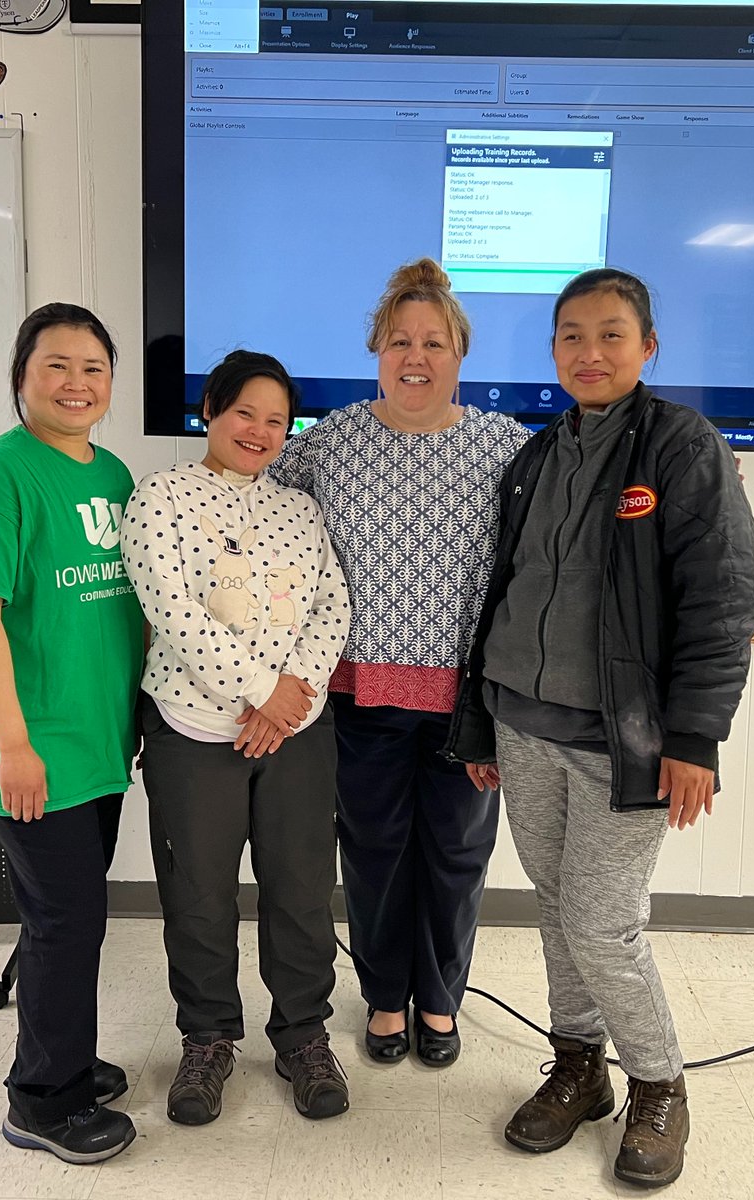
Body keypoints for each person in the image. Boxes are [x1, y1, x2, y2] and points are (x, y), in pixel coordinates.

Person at [447, 268, 754, 1188]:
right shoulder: (538, 456)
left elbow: (723, 598)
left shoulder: (682, 447)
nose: (590, 352)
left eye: (611, 334)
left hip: (623, 739)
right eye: (572, 336)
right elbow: (500, 595)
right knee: (556, 905)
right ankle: (579, 1066)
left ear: (648, 346)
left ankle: (659, 1084)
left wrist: (695, 738)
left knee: (601, 920)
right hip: (523, 724)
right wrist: (481, 725)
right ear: (553, 352)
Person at [270, 259, 530, 1066]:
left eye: (435, 342)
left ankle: (441, 1000)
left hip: (467, 705)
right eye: (399, 341)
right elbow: (255, 506)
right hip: (362, 692)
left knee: (457, 855)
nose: (416, 356)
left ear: (461, 355)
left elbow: (576, 516)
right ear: (376, 350)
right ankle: (386, 996)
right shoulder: (330, 442)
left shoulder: (506, 446)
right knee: (375, 850)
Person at [0, 303, 144, 1164]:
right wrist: (16, 746)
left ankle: (67, 1058)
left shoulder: (114, 476)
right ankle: (41, 1101)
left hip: (93, 742)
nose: (76, 383)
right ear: (21, 377)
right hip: (29, 746)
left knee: (68, 915)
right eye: (57, 365)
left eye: (93, 368)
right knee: (68, 920)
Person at [121, 350, 352, 1124]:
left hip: (296, 733)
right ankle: (208, 1039)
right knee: (198, 893)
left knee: (300, 889)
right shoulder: (159, 497)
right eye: (244, 413)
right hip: (192, 729)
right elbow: (174, 612)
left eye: (276, 421)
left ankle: (303, 1039)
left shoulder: (299, 509)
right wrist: (262, 690)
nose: (259, 431)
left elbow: (332, 609)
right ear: (210, 410)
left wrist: (288, 702)